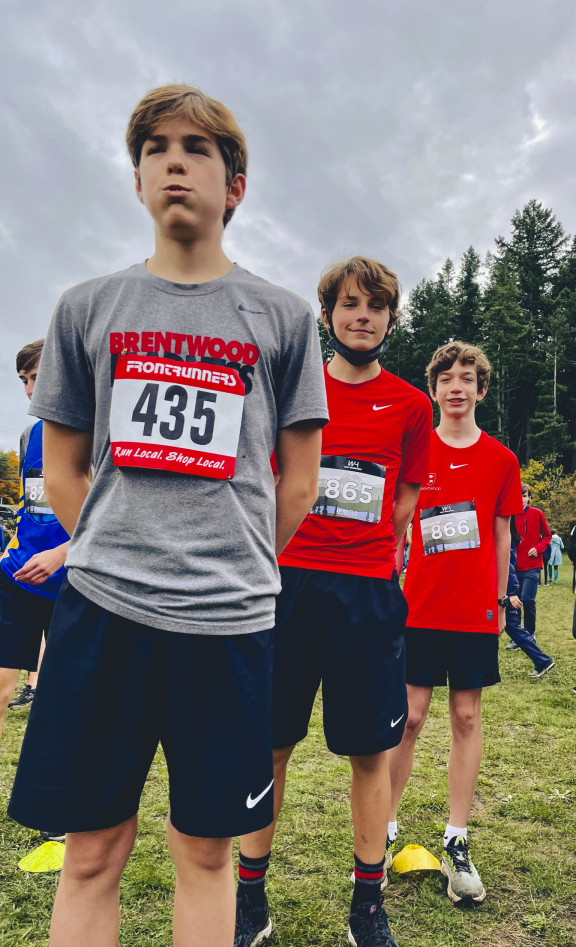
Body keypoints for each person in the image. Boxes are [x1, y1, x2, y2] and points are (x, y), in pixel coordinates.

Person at [8, 84, 328, 947]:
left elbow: (299, 481)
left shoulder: (285, 317)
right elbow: (66, 465)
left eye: (197, 147)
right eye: (154, 146)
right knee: (90, 852)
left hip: (229, 626)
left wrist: (229, 558)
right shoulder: (87, 307)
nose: (173, 159)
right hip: (102, 615)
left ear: (237, 185)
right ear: (138, 179)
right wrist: (115, 548)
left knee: (207, 852)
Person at [234, 257, 432, 947]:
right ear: (328, 316)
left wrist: (373, 552)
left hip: (367, 595)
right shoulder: (294, 390)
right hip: (286, 585)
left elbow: (404, 500)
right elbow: (264, 481)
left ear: (389, 320)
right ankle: (249, 899)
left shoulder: (412, 406)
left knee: (370, 754)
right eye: (350, 304)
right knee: (270, 746)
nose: (362, 316)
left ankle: (367, 905)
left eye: (376, 306)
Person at [388, 341, 522, 906]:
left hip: (473, 615)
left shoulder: (501, 460)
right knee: (410, 718)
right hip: (418, 609)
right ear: (434, 388)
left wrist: (497, 600)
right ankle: (383, 830)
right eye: (447, 378)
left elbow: (501, 535)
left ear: (481, 390)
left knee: (466, 715)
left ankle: (457, 838)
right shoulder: (415, 454)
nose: (457, 387)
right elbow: (395, 529)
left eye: (467, 378)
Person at [0, 340, 69, 738]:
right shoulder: (32, 434)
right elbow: (34, 505)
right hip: (19, 576)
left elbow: (115, 513)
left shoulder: (102, 432)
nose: (29, 390)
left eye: (38, 378)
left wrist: (63, 553)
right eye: (25, 380)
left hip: (75, 587)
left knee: (68, 702)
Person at [504, 518, 554, 678]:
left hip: (505, 590)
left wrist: (511, 593)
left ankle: (542, 660)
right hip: (501, 589)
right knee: (509, 626)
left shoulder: (507, 540)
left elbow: (508, 567)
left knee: (512, 626)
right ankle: (542, 660)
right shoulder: (507, 539)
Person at [514, 483, 551, 638]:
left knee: (527, 600)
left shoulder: (537, 513)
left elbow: (547, 536)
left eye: (524, 495)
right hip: (514, 567)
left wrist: (538, 547)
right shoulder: (508, 516)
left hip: (532, 566)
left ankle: (530, 634)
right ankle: (518, 637)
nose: (522, 499)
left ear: (528, 497)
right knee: (515, 604)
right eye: (519, 496)